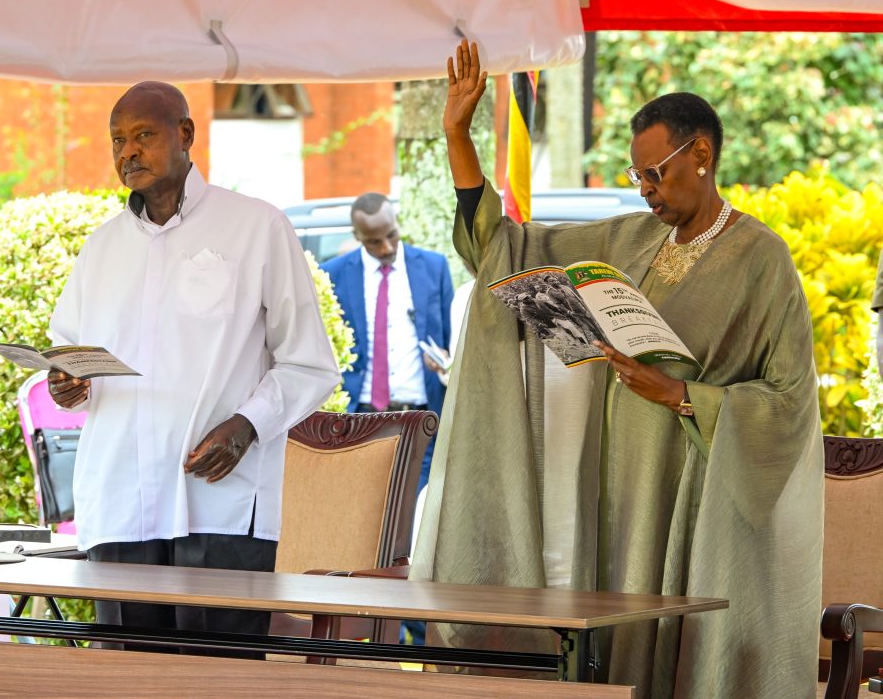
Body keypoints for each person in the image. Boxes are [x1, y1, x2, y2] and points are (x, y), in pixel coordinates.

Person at [411, 40, 823, 698]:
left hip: (697, 497)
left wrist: (686, 396)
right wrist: (458, 134)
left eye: (656, 172)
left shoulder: (761, 259)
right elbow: (506, 249)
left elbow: (791, 405)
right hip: (618, 491)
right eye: (637, 177)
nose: (646, 190)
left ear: (702, 155)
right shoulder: (628, 238)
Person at [47, 81, 340, 652]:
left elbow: (309, 362)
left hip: (216, 498)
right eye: (117, 140)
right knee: (128, 681)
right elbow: (66, 349)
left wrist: (247, 424)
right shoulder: (101, 247)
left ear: (185, 135)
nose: (127, 152)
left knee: (219, 676)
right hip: (121, 500)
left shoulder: (256, 227)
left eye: (143, 136)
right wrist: (64, 382)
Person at [320, 193, 454, 493]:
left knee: (416, 517)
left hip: (421, 418)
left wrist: (444, 359)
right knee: (365, 515)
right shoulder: (334, 275)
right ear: (357, 237)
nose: (387, 247)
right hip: (360, 419)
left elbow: (453, 339)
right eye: (374, 242)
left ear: (397, 224)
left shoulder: (434, 267)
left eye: (392, 236)